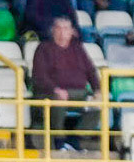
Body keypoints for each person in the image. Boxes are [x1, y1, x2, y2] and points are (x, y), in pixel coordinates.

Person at [30, 17, 100, 151]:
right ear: (53, 31)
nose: (62, 32)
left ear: (72, 32)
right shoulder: (43, 48)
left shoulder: (78, 48)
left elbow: (91, 71)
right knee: (59, 99)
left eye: (66, 28)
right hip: (49, 92)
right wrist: (55, 89)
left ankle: (76, 139)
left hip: (78, 92)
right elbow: (39, 76)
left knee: (99, 103)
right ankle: (59, 141)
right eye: (59, 28)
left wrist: (97, 90)